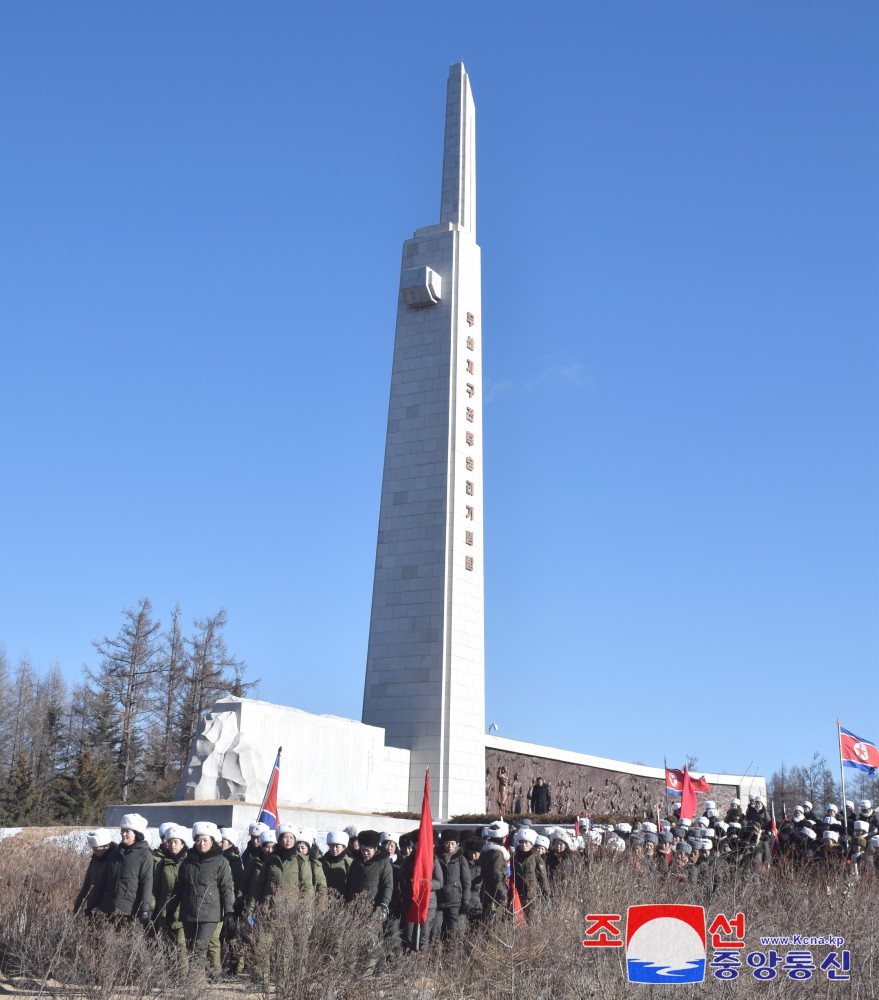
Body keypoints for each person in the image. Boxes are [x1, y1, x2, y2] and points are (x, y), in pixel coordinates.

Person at [172, 821, 235, 976]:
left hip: (210, 913)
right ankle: (198, 981)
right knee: (190, 948)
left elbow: (227, 888)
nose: (201, 843)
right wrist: (171, 908)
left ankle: (195, 984)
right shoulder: (187, 862)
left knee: (199, 948)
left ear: (212, 841)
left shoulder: (221, 862)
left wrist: (229, 912)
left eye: (205, 840)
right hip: (189, 911)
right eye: (198, 840)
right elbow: (178, 888)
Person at [95, 813, 154, 927]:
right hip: (108, 909)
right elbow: (102, 881)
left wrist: (145, 909)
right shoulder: (114, 853)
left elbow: (146, 883)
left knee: (128, 943)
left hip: (130, 911)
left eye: (127, 831)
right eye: (122, 830)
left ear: (136, 834)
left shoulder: (144, 854)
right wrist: (94, 903)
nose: (123, 834)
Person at [151, 823, 188, 957]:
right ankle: (170, 976)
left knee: (181, 946)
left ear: (183, 844)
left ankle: (183, 977)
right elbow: (155, 889)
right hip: (164, 910)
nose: (172, 845)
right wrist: (152, 908)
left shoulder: (189, 862)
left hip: (182, 911)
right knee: (166, 946)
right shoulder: (162, 863)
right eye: (170, 842)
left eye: (176, 842)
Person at [435, 829, 471, 939]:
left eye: (452, 843)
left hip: (455, 901)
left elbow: (466, 882)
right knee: (435, 930)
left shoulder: (461, 859)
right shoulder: (437, 857)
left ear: (457, 844)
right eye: (447, 843)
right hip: (439, 900)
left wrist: (466, 901)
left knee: (453, 933)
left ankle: (451, 955)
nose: (449, 846)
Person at [73, 828, 116, 917]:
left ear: (106, 845)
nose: (95, 852)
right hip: (92, 907)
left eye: (97, 849)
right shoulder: (95, 860)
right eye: (93, 849)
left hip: (107, 911)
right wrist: (78, 906)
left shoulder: (116, 861)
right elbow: (87, 884)